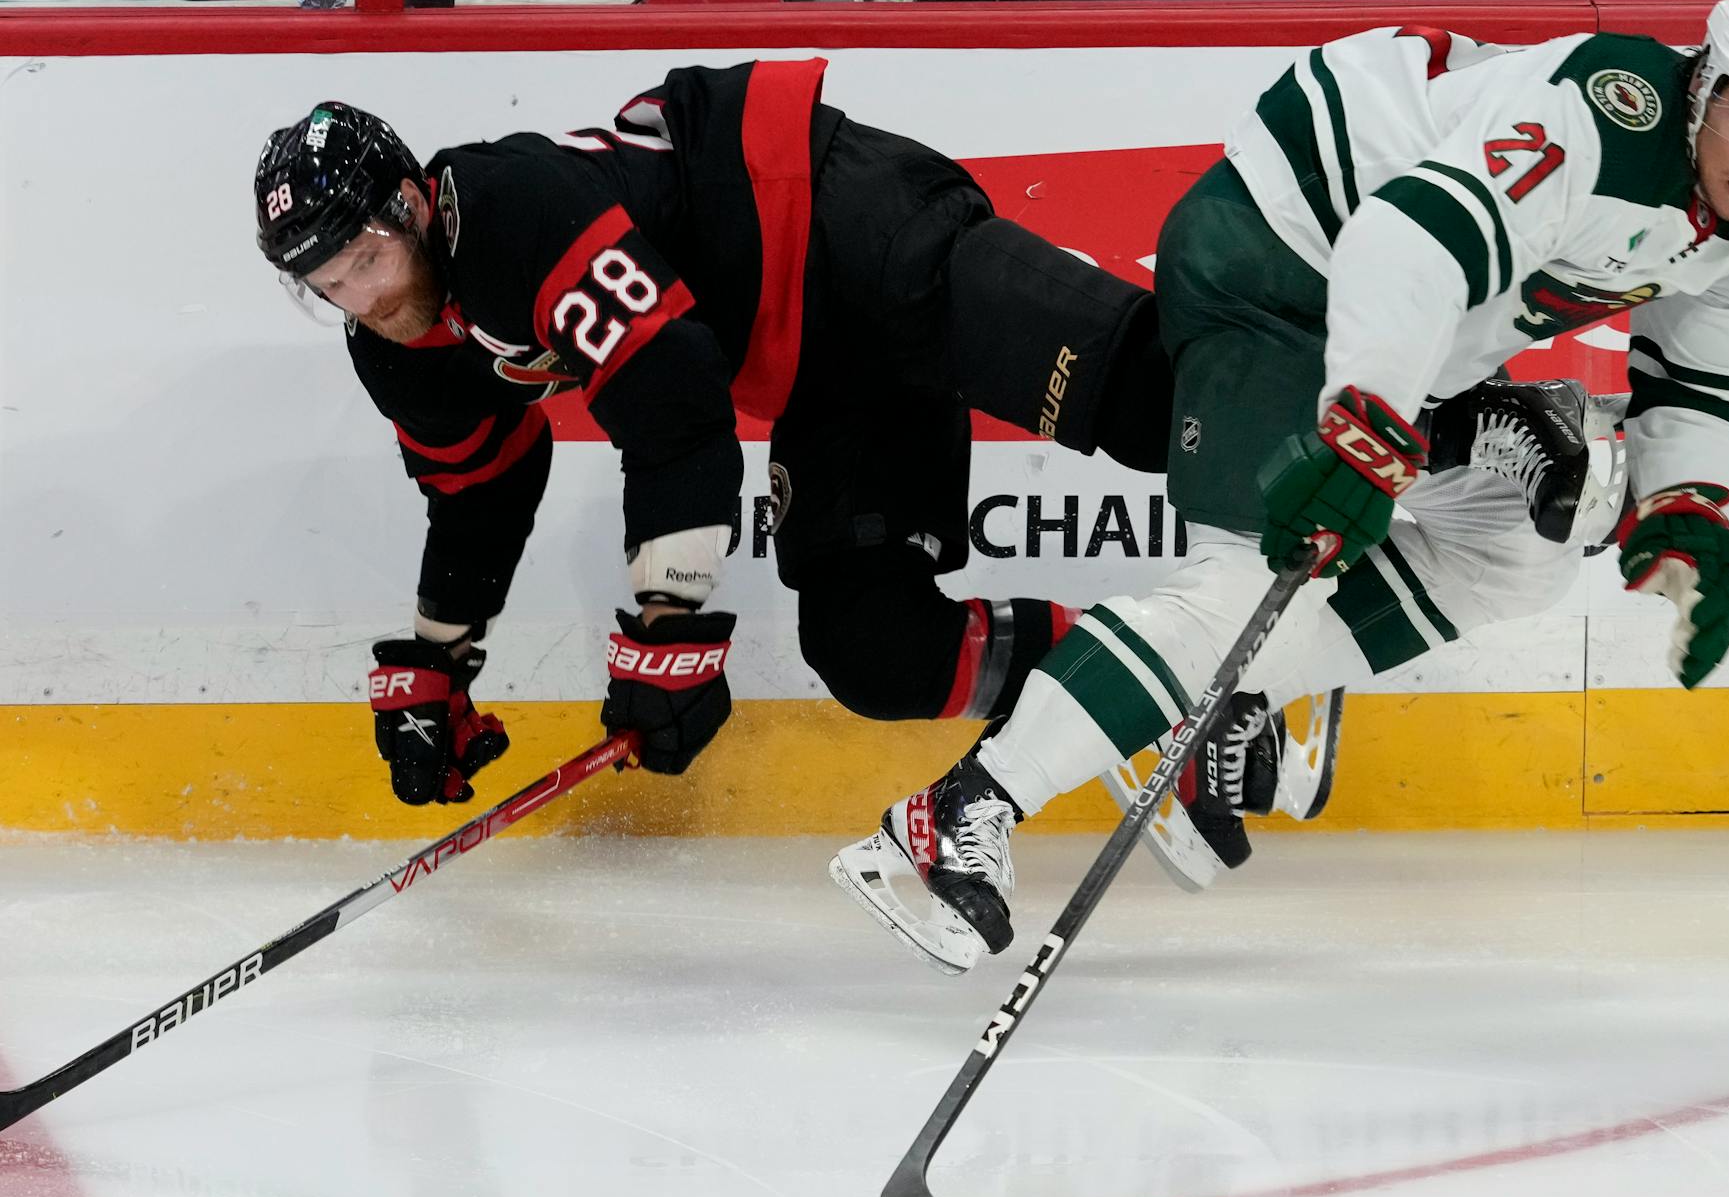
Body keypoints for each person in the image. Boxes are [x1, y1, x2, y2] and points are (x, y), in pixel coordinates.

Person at [829, 0, 1729, 973]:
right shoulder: (1606, 114)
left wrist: (1687, 505)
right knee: (1246, 586)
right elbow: (1407, 239)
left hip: (1409, 333)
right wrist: (1364, 421)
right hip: (1277, 255)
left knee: (1519, 555)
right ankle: (959, 810)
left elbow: (1711, 381)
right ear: (1702, 87)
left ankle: (1224, 702)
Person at [252, 59, 1172, 809]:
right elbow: (477, 491)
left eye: (366, 260)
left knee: (1143, 396)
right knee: (877, 651)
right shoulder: (397, 350)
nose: (363, 300)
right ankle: (1170, 683)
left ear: (413, 206)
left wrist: (668, 619)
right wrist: (437, 661)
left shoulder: (507, 207)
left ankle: (1301, 431)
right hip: (819, 374)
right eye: (329, 284)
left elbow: (671, 385)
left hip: (839, 219)